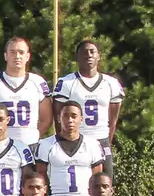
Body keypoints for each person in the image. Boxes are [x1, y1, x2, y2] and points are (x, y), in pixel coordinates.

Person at [52, 38, 124, 174]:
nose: (89, 55)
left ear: (99, 56)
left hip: (101, 139)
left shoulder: (111, 83)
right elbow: (58, 118)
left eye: (92, 52)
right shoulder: (66, 83)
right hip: (76, 139)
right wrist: (66, 140)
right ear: (77, 57)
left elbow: (113, 120)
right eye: (84, 52)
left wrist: (106, 141)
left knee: (105, 181)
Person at [0, 35, 52, 149]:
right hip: (1, 146)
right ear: (6, 55)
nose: (17, 56)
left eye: (21, 52)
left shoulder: (37, 82)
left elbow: (46, 119)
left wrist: (32, 137)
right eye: (12, 52)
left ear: (28, 56)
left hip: (30, 146)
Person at [35, 99, 104, 196]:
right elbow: (41, 176)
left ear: (81, 118)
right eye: (66, 116)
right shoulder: (46, 144)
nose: (70, 120)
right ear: (59, 118)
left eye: (74, 116)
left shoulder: (92, 144)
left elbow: (97, 177)